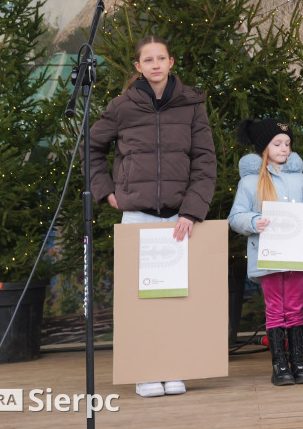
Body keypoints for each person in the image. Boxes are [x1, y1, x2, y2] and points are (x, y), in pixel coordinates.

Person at [90, 35, 217, 398]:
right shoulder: (122, 107)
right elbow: (91, 147)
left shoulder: (192, 104)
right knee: (141, 300)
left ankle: (174, 369)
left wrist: (192, 211)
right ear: (138, 67)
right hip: (138, 220)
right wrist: (106, 190)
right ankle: (146, 371)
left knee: (177, 299)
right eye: (149, 60)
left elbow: (206, 161)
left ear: (171, 62)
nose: (156, 64)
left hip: (180, 219)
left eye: (162, 58)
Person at [229, 118, 303, 386]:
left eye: (288, 144)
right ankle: (280, 364)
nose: (284, 148)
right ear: (263, 147)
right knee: (275, 309)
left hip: (296, 258)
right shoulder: (250, 183)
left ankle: (298, 362)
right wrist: (253, 222)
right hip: (268, 259)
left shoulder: (302, 181)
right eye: (277, 143)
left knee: (294, 307)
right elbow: (236, 216)